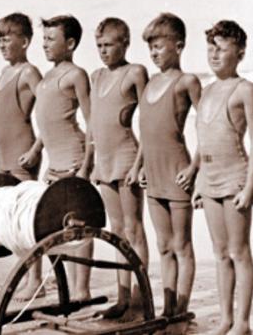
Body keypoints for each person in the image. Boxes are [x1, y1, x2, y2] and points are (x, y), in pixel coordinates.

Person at [191, 20, 253, 335]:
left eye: (221, 48)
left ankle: (243, 323)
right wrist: (197, 180)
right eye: (210, 47)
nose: (214, 54)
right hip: (209, 179)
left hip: (235, 177)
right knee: (220, 253)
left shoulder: (244, 89)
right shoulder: (206, 91)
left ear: (240, 52)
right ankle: (225, 319)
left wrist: (250, 186)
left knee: (238, 251)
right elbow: (202, 138)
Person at [21, 15, 93, 300]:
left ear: (71, 43)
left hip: (75, 160)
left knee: (81, 228)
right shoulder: (47, 77)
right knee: (55, 226)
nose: (45, 44)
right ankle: (67, 289)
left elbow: (91, 122)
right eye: (44, 39)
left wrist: (87, 165)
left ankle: (82, 290)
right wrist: (36, 149)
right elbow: (47, 122)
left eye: (52, 39)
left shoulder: (75, 75)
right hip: (54, 164)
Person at [138, 13, 201, 318]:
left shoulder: (186, 81)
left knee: (182, 246)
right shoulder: (149, 83)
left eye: (159, 46)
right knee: (163, 246)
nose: (153, 52)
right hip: (153, 175)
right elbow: (145, 131)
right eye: (150, 47)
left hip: (177, 172)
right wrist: (140, 165)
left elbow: (209, 125)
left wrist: (195, 169)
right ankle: (167, 309)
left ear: (179, 46)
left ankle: (182, 310)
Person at [89, 17, 149, 319]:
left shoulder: (135, 72)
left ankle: (140, 299)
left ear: (124, 44)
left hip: (127, 157)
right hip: (104, 160)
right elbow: (92, 124)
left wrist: (141, 164)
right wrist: (90, 163)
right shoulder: (96, 76)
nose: (103, 50)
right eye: (99, 45)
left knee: (134, 228)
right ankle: (122, 297)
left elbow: (150, 121)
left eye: (109, 45)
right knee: (116, 232)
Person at [0, 12, 45, 301]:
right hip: (4, 154)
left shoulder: (28, 72)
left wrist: (36, 149)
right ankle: (26, 275)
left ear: (24, 41)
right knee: (10, 216)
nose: (1, 44)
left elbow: (49, 112)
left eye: (7, 38)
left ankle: (36, 280)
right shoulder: (4, 73)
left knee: (26, 218)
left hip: (23, 154)